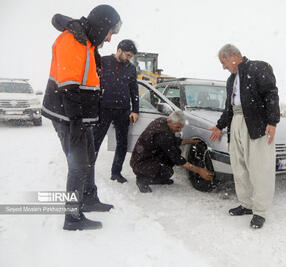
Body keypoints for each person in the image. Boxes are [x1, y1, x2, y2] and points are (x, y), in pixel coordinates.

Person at [42, 5, 122, 230]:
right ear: (101, 25)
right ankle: (72, 217)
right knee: (77, 165)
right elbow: (68, 87)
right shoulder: (72, 40)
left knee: (88, 157)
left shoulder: (86, 42)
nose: (108, 38)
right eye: (109, 32)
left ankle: (88, 199)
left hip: (79, 116)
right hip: (67, 114)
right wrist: (76, 122)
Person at [209, 44, 280, 229]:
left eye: (223, 62)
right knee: (239, 167)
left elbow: (271, 94)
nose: (223, 67)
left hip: (256, 124)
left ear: (233, 56)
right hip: (237, 123)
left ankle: (260, 211)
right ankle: (247, 204)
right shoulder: (230, 80)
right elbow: (229, 108)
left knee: (260, 168)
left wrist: (272, 122)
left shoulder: (258, 67)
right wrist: (219, 125)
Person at [130, 111, 214, 193]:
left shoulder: (163, 121)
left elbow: (173, 141)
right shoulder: (163, 134)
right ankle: (143, 180)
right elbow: (177, 158)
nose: (179, 130)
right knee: (167, 171)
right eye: (178, 127)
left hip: (143, 158)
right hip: (141, 163)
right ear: (170, 121)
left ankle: (157, 177)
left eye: (181, 127)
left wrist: (191, 141)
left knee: (175, 152)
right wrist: (199, 170)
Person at [93, 39, 139, 184]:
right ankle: (87, 171)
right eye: (127, 55)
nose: (128, 58)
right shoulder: (104, 61)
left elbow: (134, 90)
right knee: (95, 141)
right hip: (104, 108)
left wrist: (135, 110)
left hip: (123, 110)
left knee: (122, 143)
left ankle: (116, 172)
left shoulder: (131, 68)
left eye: (131, 56)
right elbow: (92, 79)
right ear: (119, 50)